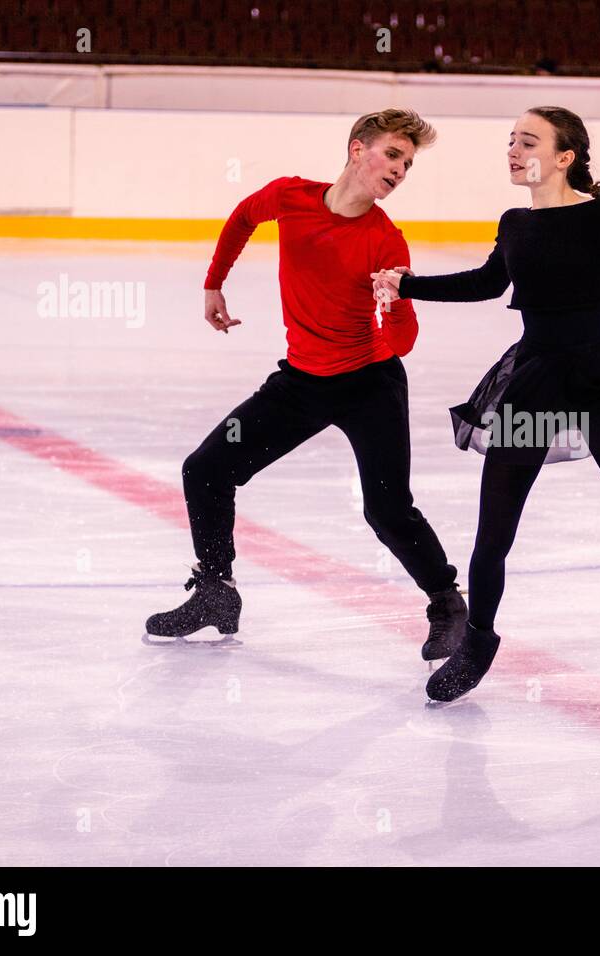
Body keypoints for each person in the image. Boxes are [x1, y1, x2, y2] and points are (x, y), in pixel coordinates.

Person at [372, 106, 600, 718]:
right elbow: (486, 283)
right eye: (510, 140)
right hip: (533, 386)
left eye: (529, 142)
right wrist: (408, 284)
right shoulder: (514, 223)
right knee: (494, 536)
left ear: (565, 157)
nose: (513, 150)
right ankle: (478, 642)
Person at [145, 108, 468, 661]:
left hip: (369, 383)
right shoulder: (291, 196)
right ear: (356, 148)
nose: (400, 170)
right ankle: (215, 591)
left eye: (408, 165)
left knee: (387, 510)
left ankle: (448, 604)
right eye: (393, 155)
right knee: (206, 469)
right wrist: (214, 284)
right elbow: (244, 216)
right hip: (300, 382)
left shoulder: (386, 240)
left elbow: (402, 344)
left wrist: (397, 298)